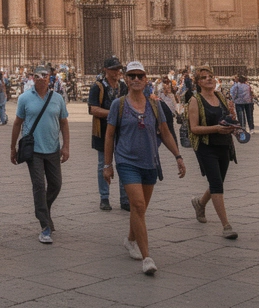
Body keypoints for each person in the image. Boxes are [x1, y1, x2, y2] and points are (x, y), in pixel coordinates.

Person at [103, 61, 186, 276]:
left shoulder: (155, 105)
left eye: (140, 76)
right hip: (126, 162)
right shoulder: (118, 105)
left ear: (146, 79)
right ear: (126, 79)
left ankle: (131, 239)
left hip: (149, 161)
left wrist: (178, 156)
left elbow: (165, 132)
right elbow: (110, 135)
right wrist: (107, 165)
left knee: (140, 209)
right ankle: (147, 256)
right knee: (138, 205)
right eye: (132, 76)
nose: (137, 79)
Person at [11, 65, 71, 245]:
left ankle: (44, 208)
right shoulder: (24, 98)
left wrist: (66, 146)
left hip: (53, 149)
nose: (42, 78)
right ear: (32, 78)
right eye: (38, 75)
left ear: (50, 78)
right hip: (33, 151)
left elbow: (64, 124)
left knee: (56, 184)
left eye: (45, 75)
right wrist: (12, 147)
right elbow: (17, 123)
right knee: (38, 185)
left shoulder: (58, 98)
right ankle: (45, 225)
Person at [186, 66, 240, 240]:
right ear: (198, 82)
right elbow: (194, 128)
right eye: (204, 77)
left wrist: (232, 125)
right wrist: (216, 128)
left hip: (223, 144)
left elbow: (226, 118)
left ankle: (200, 203)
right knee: (217, 184)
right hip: (206, 146)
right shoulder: (195, 100)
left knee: (218, 182)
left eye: (211, 76)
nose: (209, 79)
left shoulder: (220, 97)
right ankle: (226, 225)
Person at [88, 58, 125, 211]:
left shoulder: (123, 87)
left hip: (122, 132)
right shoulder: (97, 87)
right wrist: (113, 114)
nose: (117, 72)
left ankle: (125, 198)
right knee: (104, 164)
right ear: (105, 70)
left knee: (123, 164)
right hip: (103, 132)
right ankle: (104, 198)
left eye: (118, 69)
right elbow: (93, 109)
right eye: (114, 69)